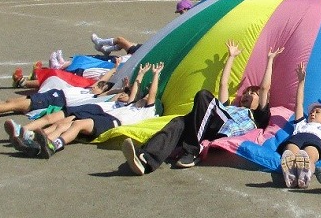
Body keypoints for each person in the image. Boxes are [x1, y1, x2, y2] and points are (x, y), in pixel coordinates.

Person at [122, 40, 283, 175]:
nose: (247, 95)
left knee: (204, 95)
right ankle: (146, 159)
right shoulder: (227, 107)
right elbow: (223, 83)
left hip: (224, 126)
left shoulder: (257, 115)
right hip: (208, 123)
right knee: (179, 121)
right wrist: (231, 57)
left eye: (252, 94)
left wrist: (270, 60)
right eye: (246, 93)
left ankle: (193, 150)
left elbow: (264, 88)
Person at [27, 62, 163, 158]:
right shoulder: (132, 105)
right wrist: (141, 74)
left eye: (146, 97)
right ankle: (40, 144)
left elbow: (152, 95)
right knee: (68, 123)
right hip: (105, 116)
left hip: (112, 122)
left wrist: (156, 74)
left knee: (77, 124)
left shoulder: (147, 111)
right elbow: (135, 91)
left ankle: (54, 145)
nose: (144, 96)